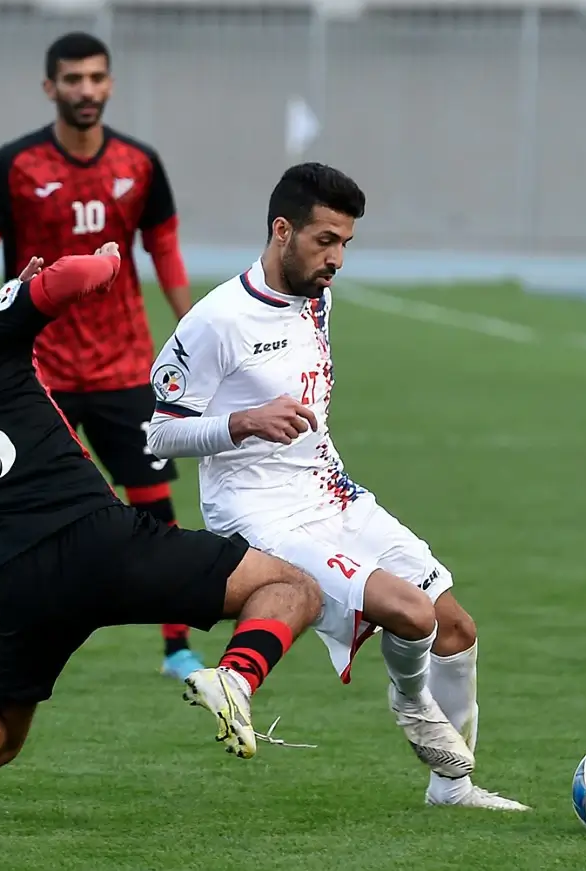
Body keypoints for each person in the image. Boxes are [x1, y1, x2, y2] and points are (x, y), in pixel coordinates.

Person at [0, 227, 321, 770]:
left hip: (15, 577)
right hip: (99, 542)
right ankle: (236, 679)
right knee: (292, 587)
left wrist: (6, 310)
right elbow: (75, 278)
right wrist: (104, 261)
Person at [144, 164, 532, 810]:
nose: (337, 259)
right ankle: (411, 706)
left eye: (346, 243)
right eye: (326, 240)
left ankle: (452, 788)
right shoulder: (216, 321)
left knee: (456, 628)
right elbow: (158, 434)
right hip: (262, 516)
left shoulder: (318, 295)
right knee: (413, 614)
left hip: (334, 495)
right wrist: (244, 422)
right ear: (281, 230)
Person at [0, 31, 203, 681]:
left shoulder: (141, 163)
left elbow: (164, 247)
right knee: (16, 510)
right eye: (72, 79)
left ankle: (178, 646)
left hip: (125, 364)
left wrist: (192, 327)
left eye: (96, 77)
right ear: (51, 88)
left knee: (153, 504)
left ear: (110, 84)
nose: (86, 89)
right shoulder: (15, 164)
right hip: (35, 368)